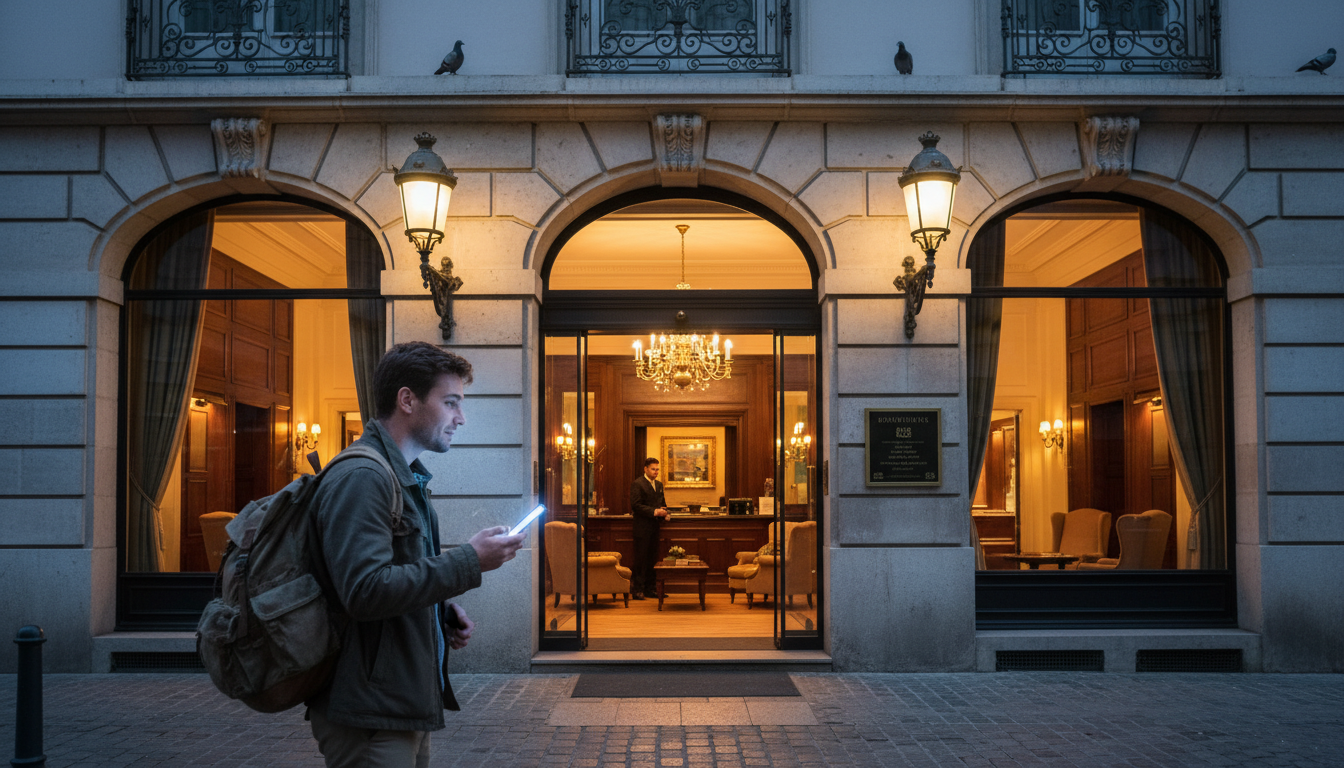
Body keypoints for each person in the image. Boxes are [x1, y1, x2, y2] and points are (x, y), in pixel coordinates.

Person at [307, 341, 526, 768]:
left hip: (397, 700)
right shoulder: (363, 477)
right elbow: (365, 591)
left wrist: (440, 610)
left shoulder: (402, 477)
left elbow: (392, 575)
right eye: (450, 403)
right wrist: (468, 560)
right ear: (407, 399)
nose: (460, 418)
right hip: (369, 709)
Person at [628, 457, 669, 599]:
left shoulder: (659, 485)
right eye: (653, 469)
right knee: (641, 559)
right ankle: (637, 590)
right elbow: (636, 505)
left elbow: (662, 503)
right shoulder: (637, 484)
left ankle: (651, 589)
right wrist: (654, 511)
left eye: (657, 469)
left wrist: (664, 513)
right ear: (645, 469)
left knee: (653, 559)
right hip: (641, 528)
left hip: (655, 527)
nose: (656, 472)